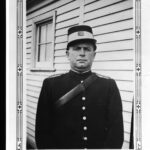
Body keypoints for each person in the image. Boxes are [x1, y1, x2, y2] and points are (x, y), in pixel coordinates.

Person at [35, 25, 124, 149]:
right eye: (77, 48)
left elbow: (116, 132)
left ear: (94, 54)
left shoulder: (108, 85)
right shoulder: (51, 85)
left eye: (87, 49)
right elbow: (42, 132)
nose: (82, 53)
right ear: (67, 54)